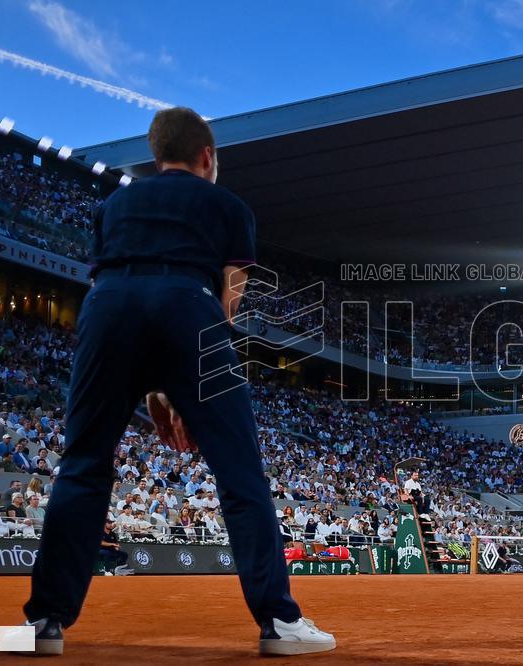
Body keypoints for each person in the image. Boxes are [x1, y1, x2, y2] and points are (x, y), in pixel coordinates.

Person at [21, 108, 333, 658]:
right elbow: (228, 301)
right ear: (207, 157)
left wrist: (154, 386)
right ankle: (278, 624)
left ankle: (45, 621)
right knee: (239, 474)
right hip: (191, 305)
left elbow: (128, 299)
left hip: (108, 305)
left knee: (84, 464)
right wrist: (187, 382)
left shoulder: (114, 204)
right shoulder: (229, 205)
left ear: (156, 154)